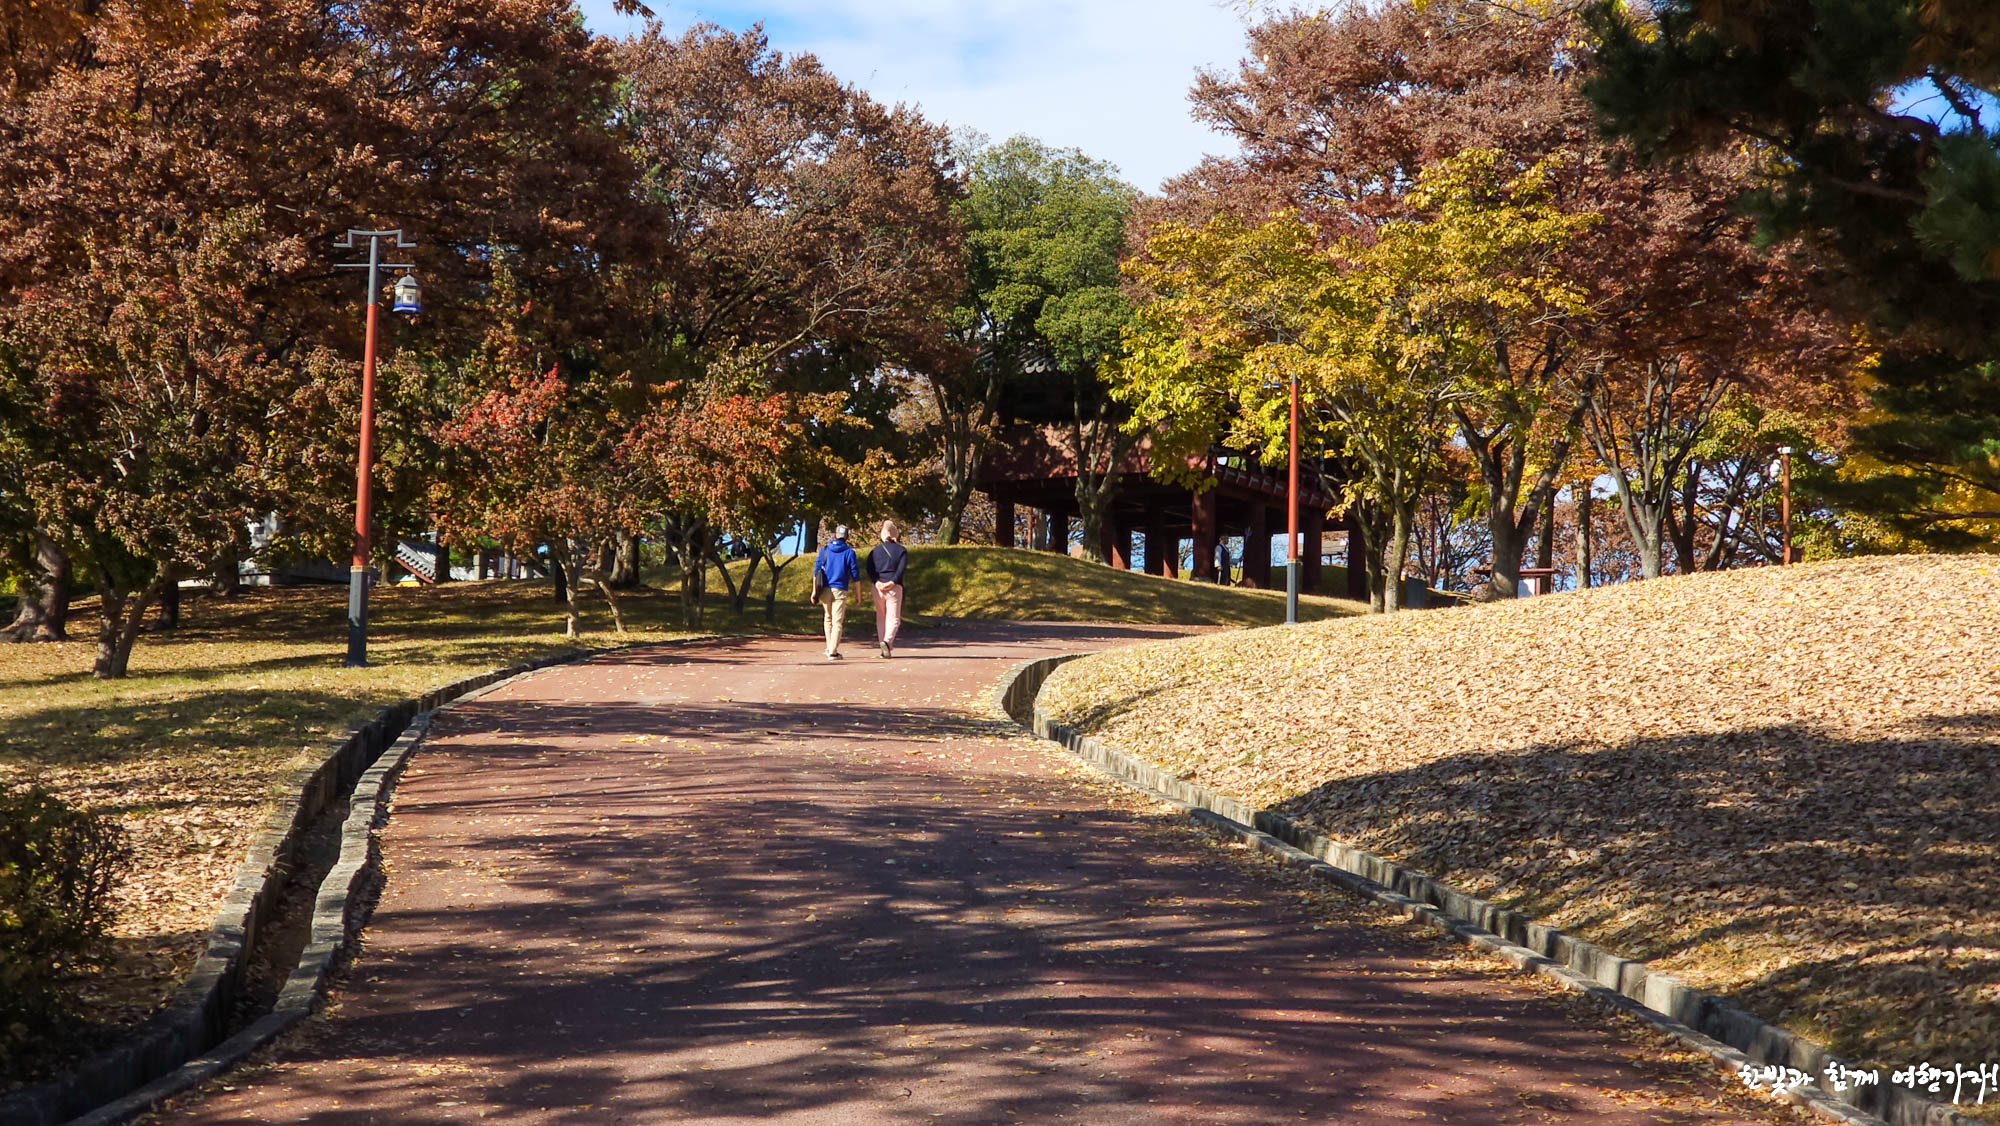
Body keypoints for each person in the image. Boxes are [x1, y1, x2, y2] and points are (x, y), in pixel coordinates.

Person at [810, 525, 860, 659]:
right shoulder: (849, 552)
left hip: (825, 589)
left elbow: (816, 571)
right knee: (837, 621)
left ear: (835, 535)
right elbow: (855, 575)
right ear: (847, 537)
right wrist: (858, 595)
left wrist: (814, 591)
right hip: (840, 589)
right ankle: (833, 651)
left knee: (828, 618)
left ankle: (829, 647)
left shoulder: (824, 550)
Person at [865, 520, 908, 658]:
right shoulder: (901, 551)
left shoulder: (874, 551)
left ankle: (883, 646)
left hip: (878, 587)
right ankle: (887, 642)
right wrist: (893, 581)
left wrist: (876, 582)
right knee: (894, 618)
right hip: (894, 587)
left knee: (881, 617)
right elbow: (901, 569)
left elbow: (869, 568)